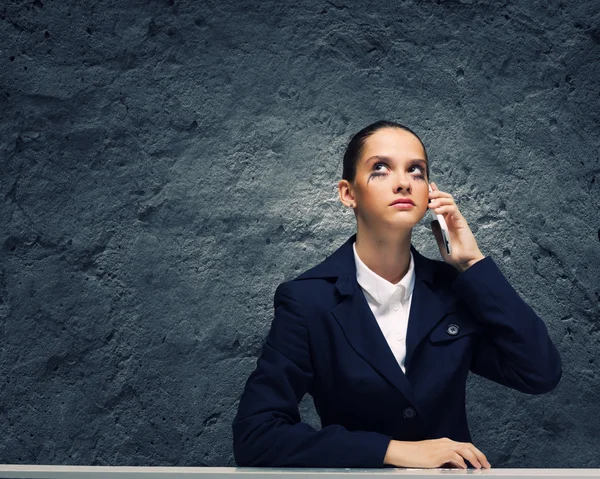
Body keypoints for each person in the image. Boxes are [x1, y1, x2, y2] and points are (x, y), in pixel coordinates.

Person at [231, 120, 562, 469]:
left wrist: (472, 264)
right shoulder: (308, 301)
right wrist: (394, 451)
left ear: (429, 194)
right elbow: (256, 437)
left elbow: (540, 373)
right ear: (348, 193)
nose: (403, 181)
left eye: (416, 171)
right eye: (380, 168)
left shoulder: (453, 292)